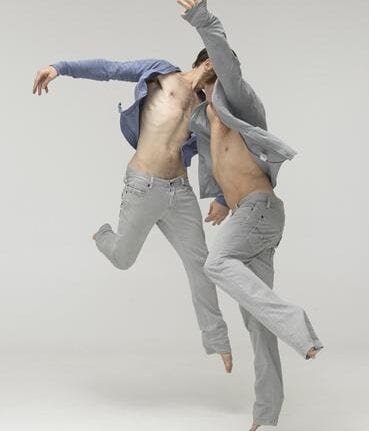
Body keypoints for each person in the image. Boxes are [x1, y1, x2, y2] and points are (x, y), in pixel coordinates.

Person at [32, 48, 234, 370]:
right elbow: (110, 69)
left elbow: (217, 153)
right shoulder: (160, 74)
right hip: (143, 186)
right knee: (123, 259)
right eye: (226, 74)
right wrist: (61, 67)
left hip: (180, 192)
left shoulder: (207, 107)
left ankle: (218, 341)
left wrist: (222, 198)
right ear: (209, 63)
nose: (228, 84)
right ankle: (103, 235)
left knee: (201, 265)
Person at [178, 0, 325, 431]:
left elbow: (224, 58)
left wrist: (202, 19)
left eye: (209, 64)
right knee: (255, 319)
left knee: (215, 263)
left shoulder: (237, 100)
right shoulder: (203, 119)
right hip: (250, 213)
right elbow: (224, 162)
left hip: (260, 210)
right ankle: (266, 412)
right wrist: (222, 200)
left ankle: (297, 324)